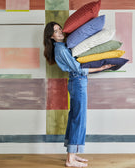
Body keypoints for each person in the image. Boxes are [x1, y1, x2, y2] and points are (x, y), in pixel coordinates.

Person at [44, 21, 114, 167]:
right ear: (51, 36)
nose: (60, 32)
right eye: (56, 31)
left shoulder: (63, 46)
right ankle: (70, 160)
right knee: (78, 118)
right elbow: (78, 69)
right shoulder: (61, 50)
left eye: (60, 29)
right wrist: (102, 68)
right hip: (78, 82)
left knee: (75, 116)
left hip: (78, 82)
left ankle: (73, 154)